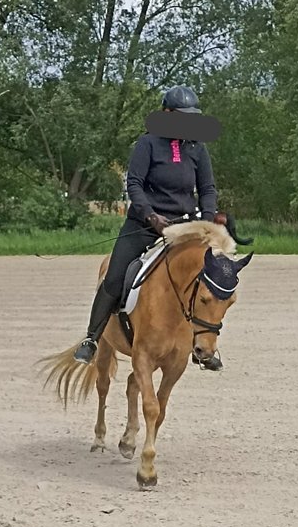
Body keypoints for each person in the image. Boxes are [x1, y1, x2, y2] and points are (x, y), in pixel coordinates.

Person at [72, 85, 218, 364]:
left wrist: (208, 218)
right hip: (146, 224)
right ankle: (92, 338)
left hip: (184, 227)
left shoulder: (198, 148)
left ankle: (202, 346)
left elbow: (208, 188)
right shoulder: (147, 143)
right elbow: (135, 184)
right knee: (114, 277)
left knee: (210, 280)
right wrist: (151, 215)